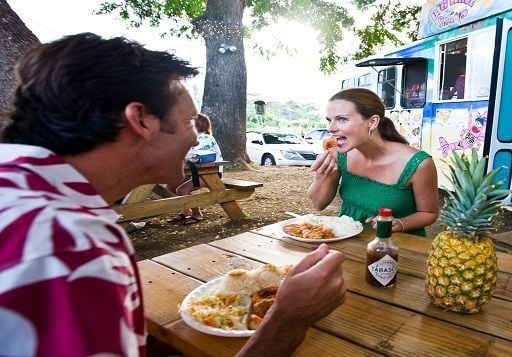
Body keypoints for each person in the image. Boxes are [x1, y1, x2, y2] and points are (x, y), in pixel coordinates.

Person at [0, 33, 346, 356]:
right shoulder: (71, 249)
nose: (196, 138)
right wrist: (287, 322)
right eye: (190, 122)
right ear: (141, 120)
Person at [308, 88, 439, 236]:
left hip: (396, 246)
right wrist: (321, 175)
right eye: (329, 120)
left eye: (342, 119)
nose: (330, 128)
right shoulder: (338, 154)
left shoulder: (418, 164)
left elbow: (429, 213)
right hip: (348, 240)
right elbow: (318, 204)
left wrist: (399, 223)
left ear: (372, 122)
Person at [166, 113, 222, 225]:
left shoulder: (206, 138)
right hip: (194, 172)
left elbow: (192, 155)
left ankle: (197, 214)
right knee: (171, 186)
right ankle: (186, 211)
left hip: (210, 173)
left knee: (182, 190)